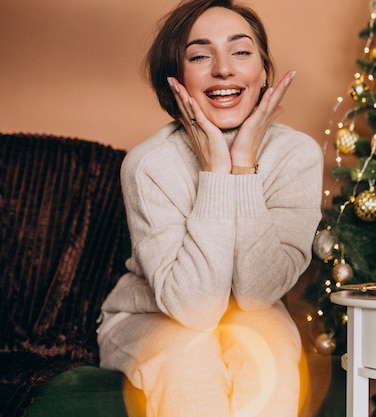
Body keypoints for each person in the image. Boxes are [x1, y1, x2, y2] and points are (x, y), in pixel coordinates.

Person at [96, 0, 323, 416]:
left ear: (263, 72)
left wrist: (243, 166)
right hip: (151, 317)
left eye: (241, 51)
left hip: (255, 313)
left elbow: (256, 294)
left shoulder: (297, 155)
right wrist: (215, 172)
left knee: (268, 354)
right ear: (175, 79)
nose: (223, 69)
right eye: (200, 55)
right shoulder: (149, 165)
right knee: (189, 357)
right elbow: (195, 309)